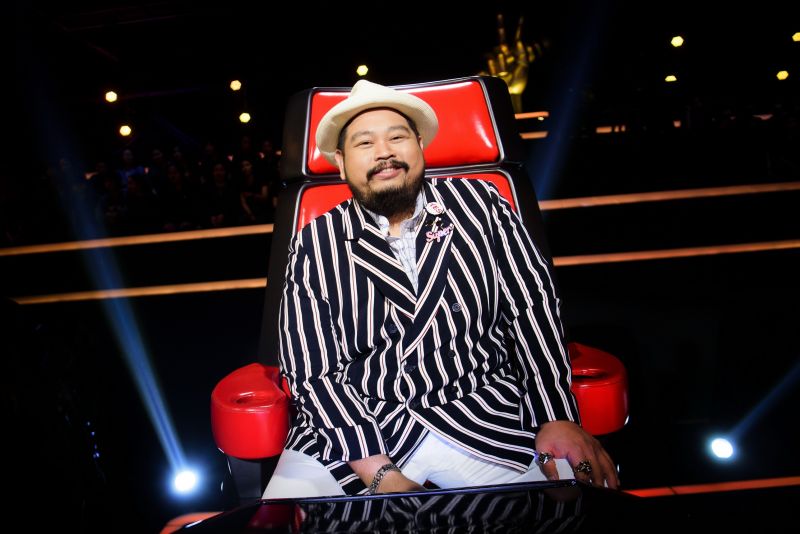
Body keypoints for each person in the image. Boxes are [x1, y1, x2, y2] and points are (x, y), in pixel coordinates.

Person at [264, 80, 618, 499]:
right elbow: (313, 371)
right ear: (340, 163)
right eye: (365, 143)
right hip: (358, 431)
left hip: (483, 413)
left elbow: (532, 309)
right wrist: (380, 474)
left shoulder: (481, 204)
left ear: (420, 146)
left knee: (570, 507)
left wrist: (556, 415)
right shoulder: (314, 241)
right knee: (283, 518)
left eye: (397, 137)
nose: (384, 152)